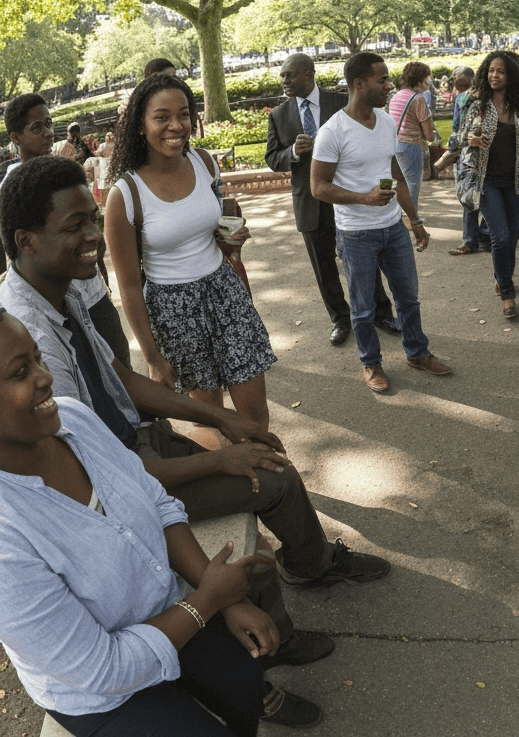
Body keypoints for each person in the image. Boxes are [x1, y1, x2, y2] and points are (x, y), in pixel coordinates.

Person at [0, 155, 388, 725]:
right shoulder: (24, 340)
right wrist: (220, 468)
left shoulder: (67, 290)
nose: (96, 237)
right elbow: (109, 481)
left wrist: (222, 421)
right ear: (26, 240)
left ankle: (293, 589)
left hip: (130, 448)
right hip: (124, 473)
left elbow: (118, 383)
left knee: (257, 472)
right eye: (76, 226)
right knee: (266, 478)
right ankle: (270, 642)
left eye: (92, 218)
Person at [0, 328, 271, 736]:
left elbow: (156, 502)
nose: (45, 377)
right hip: (100, 692)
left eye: (38, 358)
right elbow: (101, 668)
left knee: (248, 680)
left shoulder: (72, 418)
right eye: (21, 371)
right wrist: (209, 599)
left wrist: (224, 596)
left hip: (168, 608)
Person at [106, 74, 274, 430]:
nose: (176, 126)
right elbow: (130, 287)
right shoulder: (125, 195)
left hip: (225, 292)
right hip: (174, 309)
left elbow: (208, 228)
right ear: (140, 124)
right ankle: (237, 478)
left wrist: (230, 240)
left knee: (254, 411)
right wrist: (152, 358)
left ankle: (272, 475)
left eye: (183, 115)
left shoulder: (204, 162)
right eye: (162, 117)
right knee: (212, 418)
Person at [310, 52, 451, 393]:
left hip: (393, 228)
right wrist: (363, 198)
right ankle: (370, 364)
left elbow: (396, 175)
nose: (389, 85)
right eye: (383, 79)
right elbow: (318, 187)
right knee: (363, 306)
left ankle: (417, 353)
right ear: (359, 84)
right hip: (356, 233)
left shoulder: (386, 121)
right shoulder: (333, 132)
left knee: (408, 298)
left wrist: (414, 219)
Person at [266, 53, 396, 348]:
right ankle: (340, 318)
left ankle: (382, 313)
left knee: (365, 259)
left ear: (309, 74)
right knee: (323, 266)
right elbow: (273, 158)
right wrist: (292, 153)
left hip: (348, 197)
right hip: (310, 204)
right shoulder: (279, 115)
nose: (284, 81)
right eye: (282, 76)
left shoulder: (339, 102)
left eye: (290, 75)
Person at [3, 92, 132, 367]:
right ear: (16, 138)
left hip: (92, 297)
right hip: (51, 309)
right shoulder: (11, 190)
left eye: (49, 124)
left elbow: (94, 236)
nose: (48, 133)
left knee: (121, 374)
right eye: (37, 128)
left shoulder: (67, 175)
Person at [450, 50, 519, 321]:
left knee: (513, 236)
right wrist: (469, 138)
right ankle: (508, 293)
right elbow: (455, 136)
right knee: (500, 236)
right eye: (491, 70)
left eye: (501, 71)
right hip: (486, 181)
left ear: (511, 75)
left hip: (516, 181)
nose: (495, 75)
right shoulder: (475, 100)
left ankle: (502, 275)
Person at [437, 66, 489, 256]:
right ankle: (473, 239)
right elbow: (456, 128)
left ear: (467, 77)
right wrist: (452, 152)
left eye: (455, 75)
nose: (452, 79)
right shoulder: (462, 98)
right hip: (468, 155)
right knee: (469, 198)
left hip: (482, 154)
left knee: (485, 197)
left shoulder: (485, 97)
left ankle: (482, 237)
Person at [389, 61, 436, 210]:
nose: (429, 83)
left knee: (399, 183)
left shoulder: (396, 96)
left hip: (395, 145)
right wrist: (432, 132)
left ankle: (397, 215)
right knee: (413, 183)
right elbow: (429, 136)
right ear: (419, 79)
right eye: (427, 79)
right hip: (412, 147)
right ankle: (411, 217)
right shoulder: (418, 99)